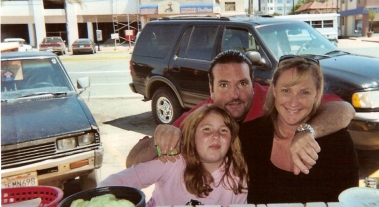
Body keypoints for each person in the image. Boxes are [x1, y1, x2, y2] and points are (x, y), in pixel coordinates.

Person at [126, 50, 355, 174]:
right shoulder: (201, 117)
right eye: (224, 85)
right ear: (211, 90)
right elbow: (132, 161)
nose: (235, 94)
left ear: (253, 83)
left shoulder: (275, 97)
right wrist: (160, 138)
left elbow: (344, 109)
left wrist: (308, 131)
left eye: (242, 84)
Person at [239, 55, 359, 204]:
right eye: (286, 91)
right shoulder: (250, 136)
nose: (294, 102)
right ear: (274, 91)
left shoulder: (338, 143)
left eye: (304, 92)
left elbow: (347, 206)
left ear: (316, 95)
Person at [99, 105, 248, 207]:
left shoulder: (237, 176)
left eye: (223, 130)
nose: (216, 136)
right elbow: (116, 182)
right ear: (191, 136)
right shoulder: (171, 162)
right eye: (207, 129)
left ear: (232, 140)